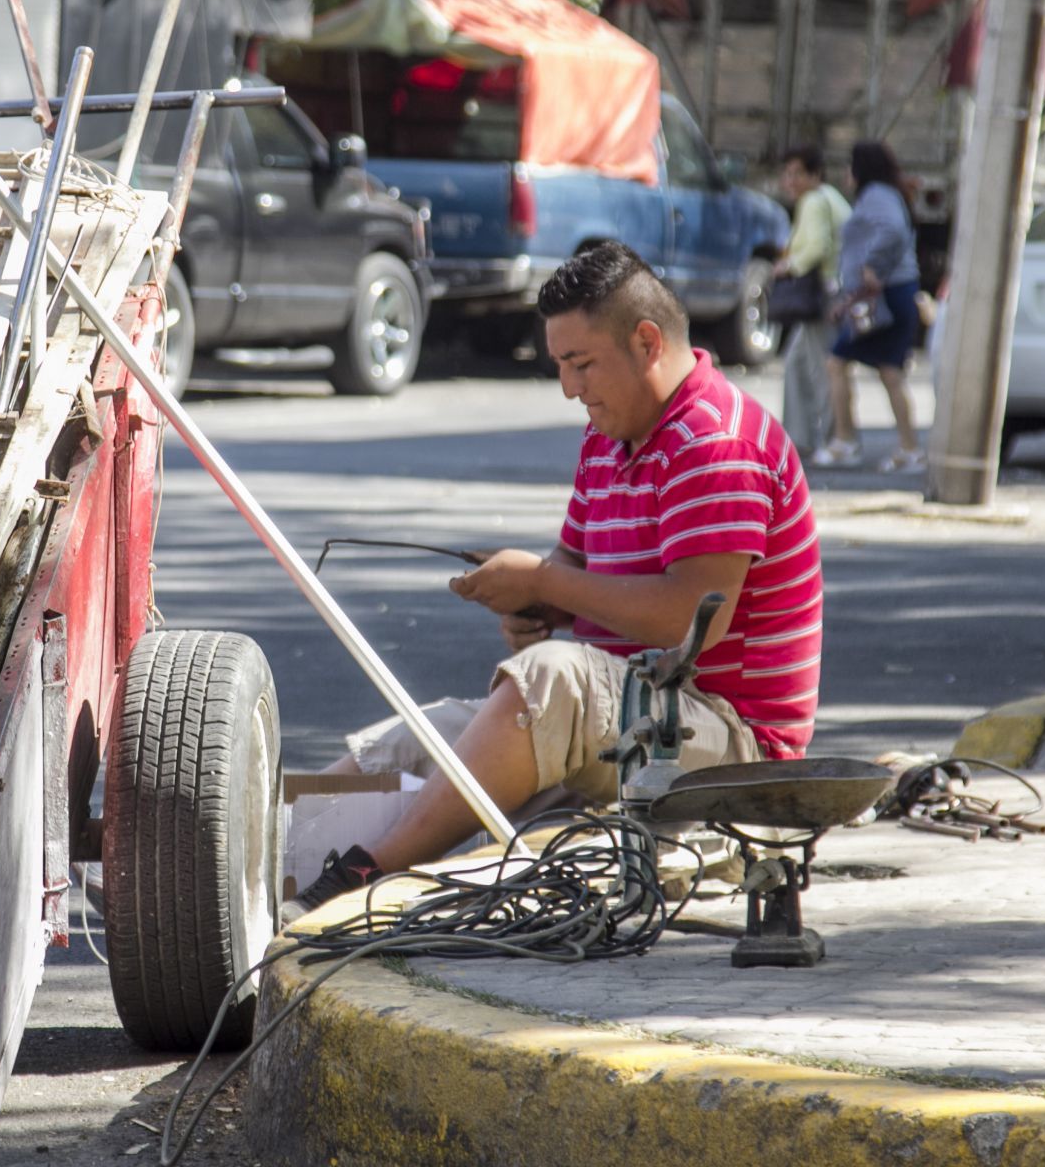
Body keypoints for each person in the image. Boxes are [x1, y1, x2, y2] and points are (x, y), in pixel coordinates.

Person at [283, 241, 823, 924]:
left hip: (733, 744)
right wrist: (534, 600)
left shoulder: (715, 445)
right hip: (629, 711)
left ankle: (360, 882)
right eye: (561, 365)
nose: (570, 387)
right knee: (422, 734)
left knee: (549, 680)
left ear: (647, 342)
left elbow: (686, 621)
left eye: (581, 364)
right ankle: (239, 874)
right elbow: (571, 571)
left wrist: (544, 582)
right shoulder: (607, 437)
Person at [812, 141, 924, 473]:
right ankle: (907, 448)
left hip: (888, 295)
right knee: (888, 372)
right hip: (888, 295)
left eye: (850, 165)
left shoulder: (876, 194)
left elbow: (892, 230)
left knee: (840, 362)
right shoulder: (885, 193)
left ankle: (848, 442)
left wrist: (874, 265)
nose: (846, 173)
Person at [774, 145, 852, 455]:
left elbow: (817, 247)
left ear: (815, 175)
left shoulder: (814, 201)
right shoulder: (829, 197)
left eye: (797, 174)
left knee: (823, 369)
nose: (790, 181)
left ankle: (835, 439)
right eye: (787, 174)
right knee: (796, 362)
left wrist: (787, 265)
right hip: (830, 295)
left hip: (822, 297)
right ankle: (799, 438)